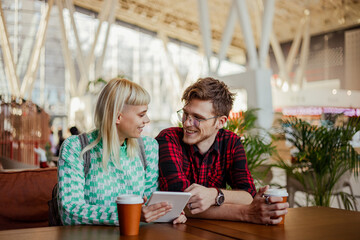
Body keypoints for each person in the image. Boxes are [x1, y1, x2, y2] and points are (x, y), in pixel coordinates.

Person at [156, 77, 289, 225]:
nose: (187, 123)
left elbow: (248, 195)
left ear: (221, 122)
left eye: (197, 118)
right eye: (186, 114)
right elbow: (179, 201)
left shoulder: (231, 142)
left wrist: (214, 194)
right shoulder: (169, 138)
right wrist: (245, 213)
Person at [58, 78, 186, 225]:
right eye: (141, 114)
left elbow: (149, 207)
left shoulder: (148, 148)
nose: (147, 120)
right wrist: (131, 213)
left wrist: (167, 213)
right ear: (118, 117)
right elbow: (69, 212)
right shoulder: (75, 148)